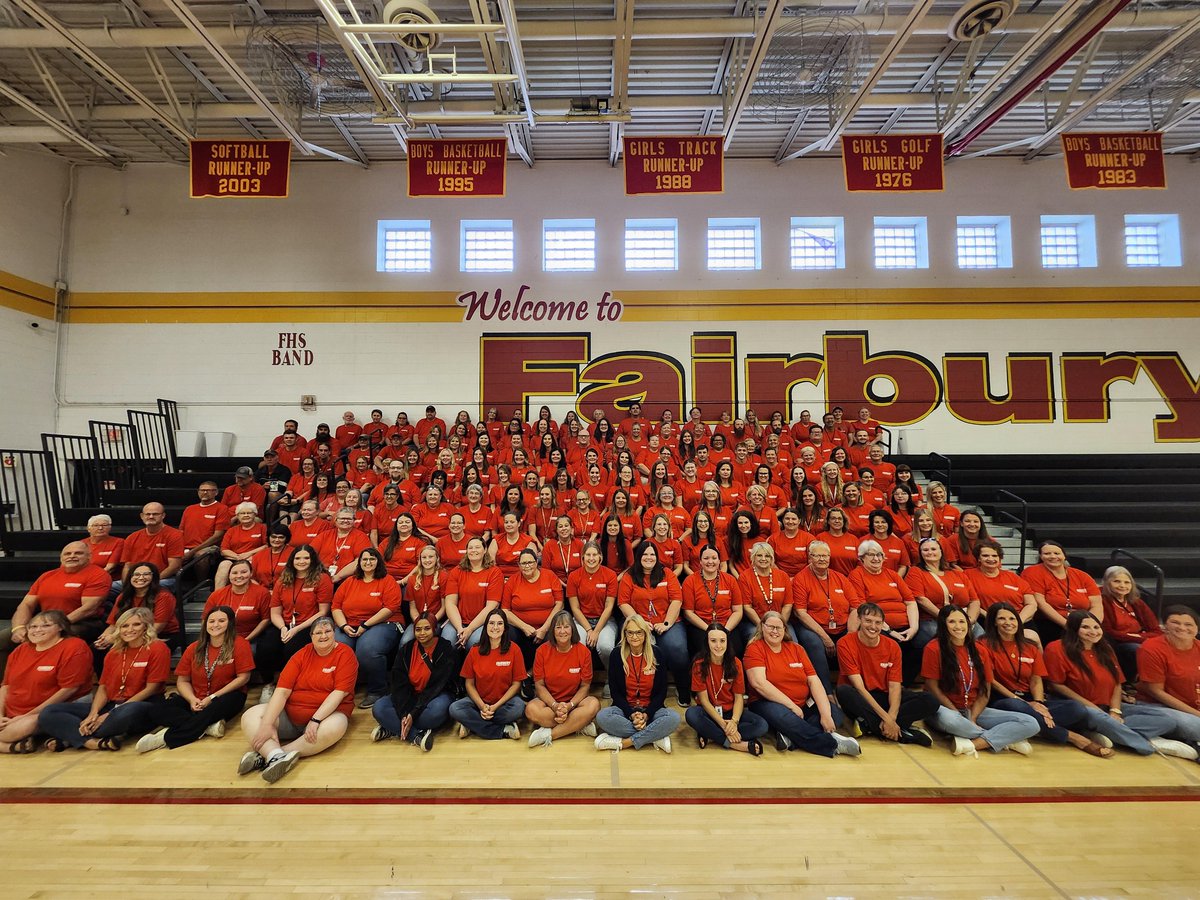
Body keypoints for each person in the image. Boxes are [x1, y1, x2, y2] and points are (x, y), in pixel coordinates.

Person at [981, 602, 1112, 758]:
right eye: (1002, 618)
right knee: (1017, 706)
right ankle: (1075, 737)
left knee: (1077, 709)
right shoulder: (982, 644)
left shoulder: (1030, 647)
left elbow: (1036, 680)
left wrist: (1039, 703)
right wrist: (1023, 702)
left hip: (1031, 700)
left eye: (1012, 618)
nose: (1008, 622)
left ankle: (1038, 730)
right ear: (994, 622)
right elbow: (991, 681)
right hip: (1003, 699)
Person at [238, 617, 357, 782]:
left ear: (334, 633)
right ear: (311, 635)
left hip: (326, 717)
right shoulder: (301, 655)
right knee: (250, 716)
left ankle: (274, 754)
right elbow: (281, 692)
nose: (323, 636)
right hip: (291, 716)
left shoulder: (345, 654)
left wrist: (316, 720)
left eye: (328, 631)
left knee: (336, 726)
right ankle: (275, 756)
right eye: (318, 633)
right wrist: (267, 724)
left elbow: (339, 693)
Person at [39, 608, 169, 752]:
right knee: (49, 712)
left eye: (136, 624)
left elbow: (151, 688)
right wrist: (93, 714)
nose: (129, 630)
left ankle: (70, 737)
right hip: (111, 704)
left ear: (146, 627)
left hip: (142, 704)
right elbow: (103, 687)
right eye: (124, 626)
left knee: (127, 712)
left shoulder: (158, 648)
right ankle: (90, 741)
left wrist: (108, 715)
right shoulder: (114, 652)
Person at [1043, 610, 1171, 756]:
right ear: (1073, 628)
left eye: (1096, 627)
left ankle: (1105, 731)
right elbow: (1056, 685)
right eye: (1085, 627)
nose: (1093, 631)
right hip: (1081, 707)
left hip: (1109, 707)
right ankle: (1146, 747)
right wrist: (1093, 707)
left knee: (1166, 720)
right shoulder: (1056, 648)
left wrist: (1115, 711)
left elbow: (1117, 683)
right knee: (1099, 718)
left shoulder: (1105, 649)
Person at [920, 606, 1039, 757]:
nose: (958, 626)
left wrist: (973, 718)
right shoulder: (933, 648)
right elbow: (932, 687)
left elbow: (986, 688)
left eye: (962, 621)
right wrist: (955, 712)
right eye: (952, 622)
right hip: (944, 709)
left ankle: (977, 742)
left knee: (1031, 723)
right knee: (952, 721)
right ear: (943, 624)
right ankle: (1006, 739)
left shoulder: (979, 649)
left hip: (973, 710)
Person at [135, 605, 255, 753]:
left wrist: (212, 697)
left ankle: (163, 739)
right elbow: (182, 681)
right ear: (205, 624)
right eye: (211, 621)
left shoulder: (240, 644)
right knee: (156, 710)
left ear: (230, 623)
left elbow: (243, 678)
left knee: (212, 709)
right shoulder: (194, 647)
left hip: (226, 696)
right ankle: (208, 726)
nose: (215, 625)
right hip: (196, 697)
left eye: (221, 621)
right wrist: (192, 699)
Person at [744, 610, 860, 758]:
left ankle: (791, 738)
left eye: (778, 627)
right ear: (762, 627)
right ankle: (832, 744)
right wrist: (791, 705)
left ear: (785, 629)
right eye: (770, 627)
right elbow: (759, 683)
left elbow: (814, 681)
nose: (774, 631)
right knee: (785, 717)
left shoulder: (797, 649)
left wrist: (825, 715)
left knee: (833, 714)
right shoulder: (755, 648)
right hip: (767, 702)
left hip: (803, 704)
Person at [835, 602, 938, 746]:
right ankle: (904, 733)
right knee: (843, 691)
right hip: (861, 698)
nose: (873, 626)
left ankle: (871, 726)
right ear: (859, 620)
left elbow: (895, 687)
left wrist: (891, 717)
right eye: (868, 621)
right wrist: (887, 719)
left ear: (883, 624)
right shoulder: (844, 644)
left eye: (878, 623)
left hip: (884, 696)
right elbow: (859, 688)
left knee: (930, 700)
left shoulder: (892, 646)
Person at [0, 542, 110, 676]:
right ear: (61, 557)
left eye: (78, 553)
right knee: (4, 638)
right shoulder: (47, 576)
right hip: (46, 622)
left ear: (89, 556)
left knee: (56, 638)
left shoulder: (98, 575)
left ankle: (49, 682)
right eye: (67, 553)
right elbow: (26, 604)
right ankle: (8, 682)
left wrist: (55, 626)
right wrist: (19, 628)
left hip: (83, 623)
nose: (72, 556)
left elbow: (89, 609)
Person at [0, 610, 92, 754]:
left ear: (60, 627)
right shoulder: (20, 650)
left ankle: (11, 745)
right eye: (33, 627)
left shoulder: (74, 647)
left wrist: (26, 716)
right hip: (11, 713)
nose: (37, 630)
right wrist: (0, 715)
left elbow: (69, 689)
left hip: (46, 711)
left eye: (45, 625)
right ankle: (12, 747)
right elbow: (5, 685)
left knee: (17, 730)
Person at [593, 614, 681, 753]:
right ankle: (654, 736)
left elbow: (661, 692)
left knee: (674, 718)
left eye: (639, 632)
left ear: (645, 634)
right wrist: (631, 714)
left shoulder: (657, 654)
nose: (634, 637)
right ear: (625, 634)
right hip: (625, 710)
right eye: (630, 633)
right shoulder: (616, 655)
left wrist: (646, 715)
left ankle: (625, 742)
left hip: (651, 711)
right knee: (603, 717)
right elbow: (615, 693)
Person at [616, 541, 690, 705]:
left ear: (657, 557)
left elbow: (677, 599)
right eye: (645, 554)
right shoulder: (629, 576)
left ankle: (683, 687)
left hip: (666, 622)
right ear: (638, 556)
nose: (648, 558)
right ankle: (636, 694)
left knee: (677, 648)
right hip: (638, 623)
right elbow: (623, 603)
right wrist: (640, 623)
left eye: (652, 554)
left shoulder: (667, 573)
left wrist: (666, 623)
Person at [371, 612, 455, 751]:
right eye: (418, 629)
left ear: (434, 629)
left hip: (434, 696)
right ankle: (416, 735)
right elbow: (399, 683)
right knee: (379, 707)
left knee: (437, 712)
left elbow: (436, 686)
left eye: (427, 628)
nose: (422, 633)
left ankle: (393, 727)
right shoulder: (406, 650)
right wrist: (404, 712)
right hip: (410, 697)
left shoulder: (445, 649)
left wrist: (413, 713)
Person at [1125, 605, 1200, 760]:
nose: (1182, 628)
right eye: (1175, 622)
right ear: (1165, 626)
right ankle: (1150, 736)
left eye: (1188, 624)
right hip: (1158, 705)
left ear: (1197, 629)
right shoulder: (1152, 648)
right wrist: (1196, 714)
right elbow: (1155, 691)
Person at [332, 547, 402, 708]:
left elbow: (390, 608)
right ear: (359, 563)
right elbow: (336, 606)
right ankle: (341, 690)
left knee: (367, 650)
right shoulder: (349, 582)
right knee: (336, 647)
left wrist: (365, 625)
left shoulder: (387, 580)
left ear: (378, 562)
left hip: (384, 623)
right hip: (349, 624)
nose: (368, 562)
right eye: (364, 559)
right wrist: (343, 625)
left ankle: (378, 690)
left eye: (372, 559)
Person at [259, 544, 333, 693]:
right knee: (265, 648)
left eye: (306, 558)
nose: (302, 561)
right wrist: (283, 628)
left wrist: (296, 629)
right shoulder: (283, 580)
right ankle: (268, 685)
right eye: (298, 558)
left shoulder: (322, 579)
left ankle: (289, 686)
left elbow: (322, 612)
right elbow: (275, 613)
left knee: (291, 648)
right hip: (283, 624)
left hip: (309, 625)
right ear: (292, 560)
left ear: (313, 560)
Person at [685, 623, 767, 754]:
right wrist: (724, 725)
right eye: (713, 641)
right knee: (691, 715)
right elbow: (704, 701)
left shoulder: (736, 663)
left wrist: (734, 722)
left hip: (730, 711)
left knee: (762, 725)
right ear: (707, 643)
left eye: (722, 641)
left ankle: (710, 734)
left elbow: (739, 698)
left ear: (728, 642)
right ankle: (736, 744)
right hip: (709, 712)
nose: (718, 645)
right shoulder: (699, 665)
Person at [526, 610, 602, 747]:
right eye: (558, 627)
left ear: (572, 629)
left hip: (574, 704)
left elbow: (585, 687)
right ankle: (578, 725)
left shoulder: (583, 652)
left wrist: (569, 706)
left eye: (566, 627)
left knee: (594, 704)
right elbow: (539, 686)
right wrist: (555, 706)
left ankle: (549, 735)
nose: (562, 631)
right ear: (552, 631)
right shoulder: (542, 651)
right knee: (531, 709)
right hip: (550, 704)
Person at [450, 609, 527, 740]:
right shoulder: (475, 650)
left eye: (500, 623)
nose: (495, 627)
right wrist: (482, 706)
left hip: (503, 703)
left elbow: (516, 684)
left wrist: (494, 707)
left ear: (505, 628)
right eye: (491, 623)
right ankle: (503, 729)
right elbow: (469, 684)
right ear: (485, 627)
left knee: (519, 707)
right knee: (455, 708)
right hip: (479, 703)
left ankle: (473, 724)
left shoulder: (514, 649)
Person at [502, 548, 566, 691]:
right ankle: (514, 678)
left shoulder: (549, 576)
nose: (527, 566)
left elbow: (559, 604)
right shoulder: (513, 581)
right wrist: (524, 627)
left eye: (530, 562)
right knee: (507, 635)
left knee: (556, 636)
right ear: (518, 565)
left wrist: (543, 628)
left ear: (537, 562)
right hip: (520, 627)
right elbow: (505, 610)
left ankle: (529, 675)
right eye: (523, 563)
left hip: (547, 625)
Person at [1024, 540, 1103, 644]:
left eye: (1056, 553)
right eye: (1047, 554)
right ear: (1040, 556)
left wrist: (1092, 625)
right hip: (1051, 622)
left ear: (1064, 556)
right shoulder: (1032, 572)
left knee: (1105, 641)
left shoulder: (1082, 576)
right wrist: (1069, 626)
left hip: (1082, 622)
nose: (1052, 556)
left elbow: (1097, 605)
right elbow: (1041, 604)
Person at [96, 561, 179, 652]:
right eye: (136, 574)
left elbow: (157, 628)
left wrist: (116, 638)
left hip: (160, 635)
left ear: (154, 577)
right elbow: (113, 624)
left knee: (128, 649)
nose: (140, 577)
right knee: (98, 648)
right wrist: (103, 638)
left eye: (146, 574)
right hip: (128, 633)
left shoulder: (164, 596)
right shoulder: (123, 596)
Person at [1099, 565, 1162, 683]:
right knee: (1138, 649)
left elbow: (1156, 630)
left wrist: (1140, 637)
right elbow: (1108, 631)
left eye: (1127, 582)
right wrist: (1135, 638)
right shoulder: (1102, 600)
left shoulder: (1137, 602)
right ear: (1107, 582)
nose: (1122, 586)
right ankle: (1135, 682)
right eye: (1116, 581)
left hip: (1140, 638)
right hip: (1117, 642)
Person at [682, 546, 745, 658]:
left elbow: (737, 610)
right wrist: (709, 629)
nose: (710, 562)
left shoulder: (730, 580)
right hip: (702, 625)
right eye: (706, 558)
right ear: (700, 562)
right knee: (702, 651)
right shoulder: (690, 581)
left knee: (737, 649)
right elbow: (688, 613)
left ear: (719, 561)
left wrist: (725, 630)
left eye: (714, 558)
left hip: (726, 624)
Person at [443, 538, 504, 648]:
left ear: (485, 550)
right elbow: (450, 603)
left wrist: (470, 629)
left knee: (473, 643)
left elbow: (491, 606)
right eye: (470, 548)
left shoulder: (494, 572)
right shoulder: (456, 571)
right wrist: (460, 628)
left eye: (477, 547)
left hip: (483, 622)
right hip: (458, 621)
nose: (473, 550)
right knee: (447, 641)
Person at [566, 542, 619, 663]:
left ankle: (610, 677)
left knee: (605, 647)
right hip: (581, 621)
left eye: (594, 555)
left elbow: (609, 607)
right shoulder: (574, 576)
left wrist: (596, 631)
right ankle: (581, 678)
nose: (591, 558)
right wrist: (589, 630)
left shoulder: (610, 575)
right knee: (578, 646)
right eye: (588, 555)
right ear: (582, 557)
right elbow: (575, 608)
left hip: (605, 620)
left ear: (600, 557)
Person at [964, 541, 1037, 625]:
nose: (991, 559)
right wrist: (991, 618)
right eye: (985, 555)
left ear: (1000, 558)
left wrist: (1017, 621)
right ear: (978, 558)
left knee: (1031, 637)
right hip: (987, 621)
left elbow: (1031, 604)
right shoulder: (967, 575)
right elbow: (969, 602)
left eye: (995, 556)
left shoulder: (1014, 577)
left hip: (1019, 620)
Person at [203, 560, 272, 647]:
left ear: (251, 574)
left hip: (251, 638)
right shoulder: (217, 595)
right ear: (229, 576)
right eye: (234, 573)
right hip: (221, 638)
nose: (239, 576)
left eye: (243, 572)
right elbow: (205, 619)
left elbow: (266, 619)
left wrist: (246, 640)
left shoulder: (262, 593)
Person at [176, 485, 227, 580]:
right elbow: (180, 531)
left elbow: (218, 535)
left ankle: (201, 586)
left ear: (216, 492)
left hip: (209, 547)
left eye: (208, 490)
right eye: (202, 490)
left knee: (201, 555)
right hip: (187, 546)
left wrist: (192, 552)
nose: (204, 492)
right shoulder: (189, 509)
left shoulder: (222, 508)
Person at [214, 502, 268, 589]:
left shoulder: (262, 528)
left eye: (249, 513)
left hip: (254, 558)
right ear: (238, 516)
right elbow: (224, 550)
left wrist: (248, 554)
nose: (246, 515)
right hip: (234, 559)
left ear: (255, 515)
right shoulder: (231, 530)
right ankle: (217, 596)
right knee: (224, 565)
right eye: (242, 513)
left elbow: (266, 546)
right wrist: (238, 557)